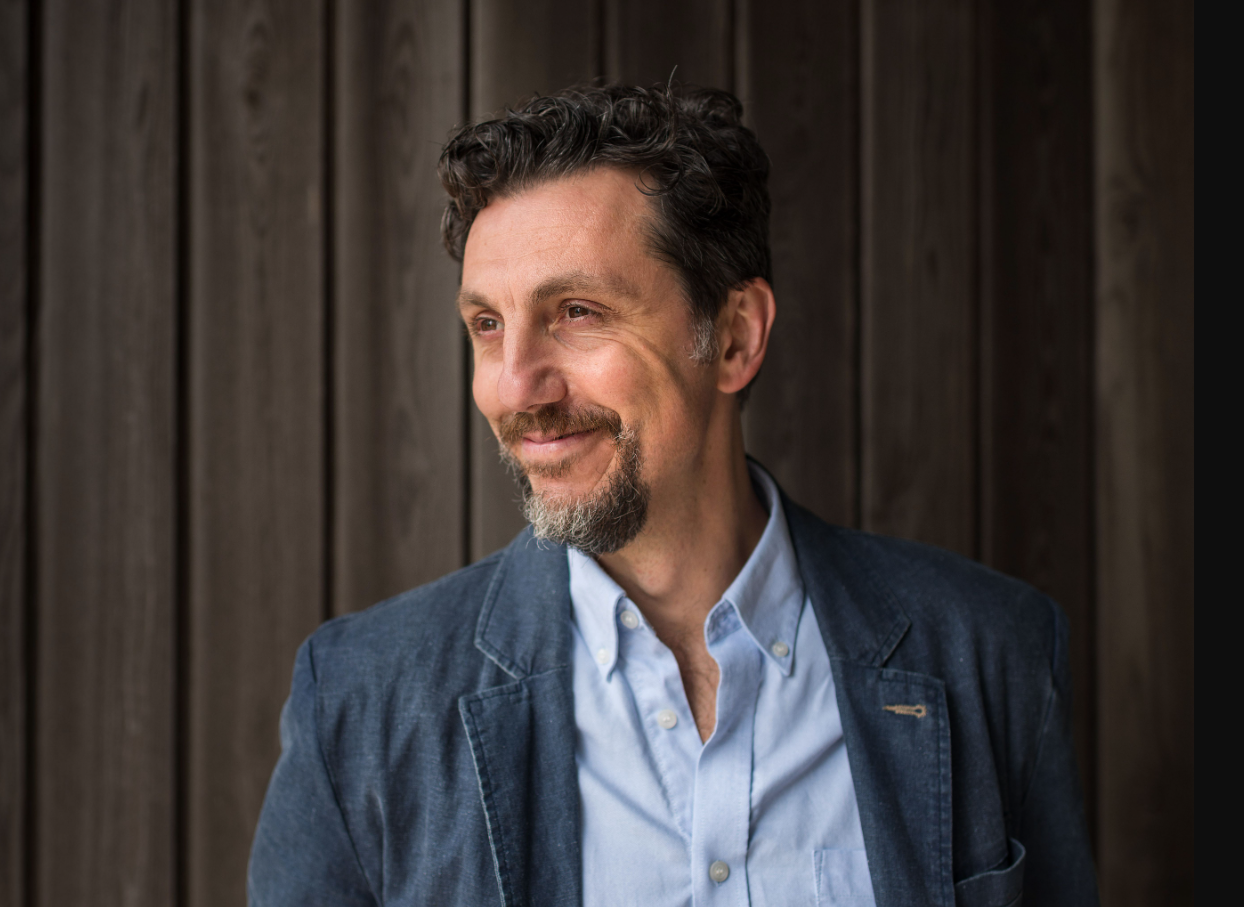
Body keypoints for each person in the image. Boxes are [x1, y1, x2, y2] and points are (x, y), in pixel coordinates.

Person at [248, 84, 1097, 907]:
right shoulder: (359, 706)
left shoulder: (994, 658)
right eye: (488, 325)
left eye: (576, 312)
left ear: (733, 337)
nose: (516, 388)